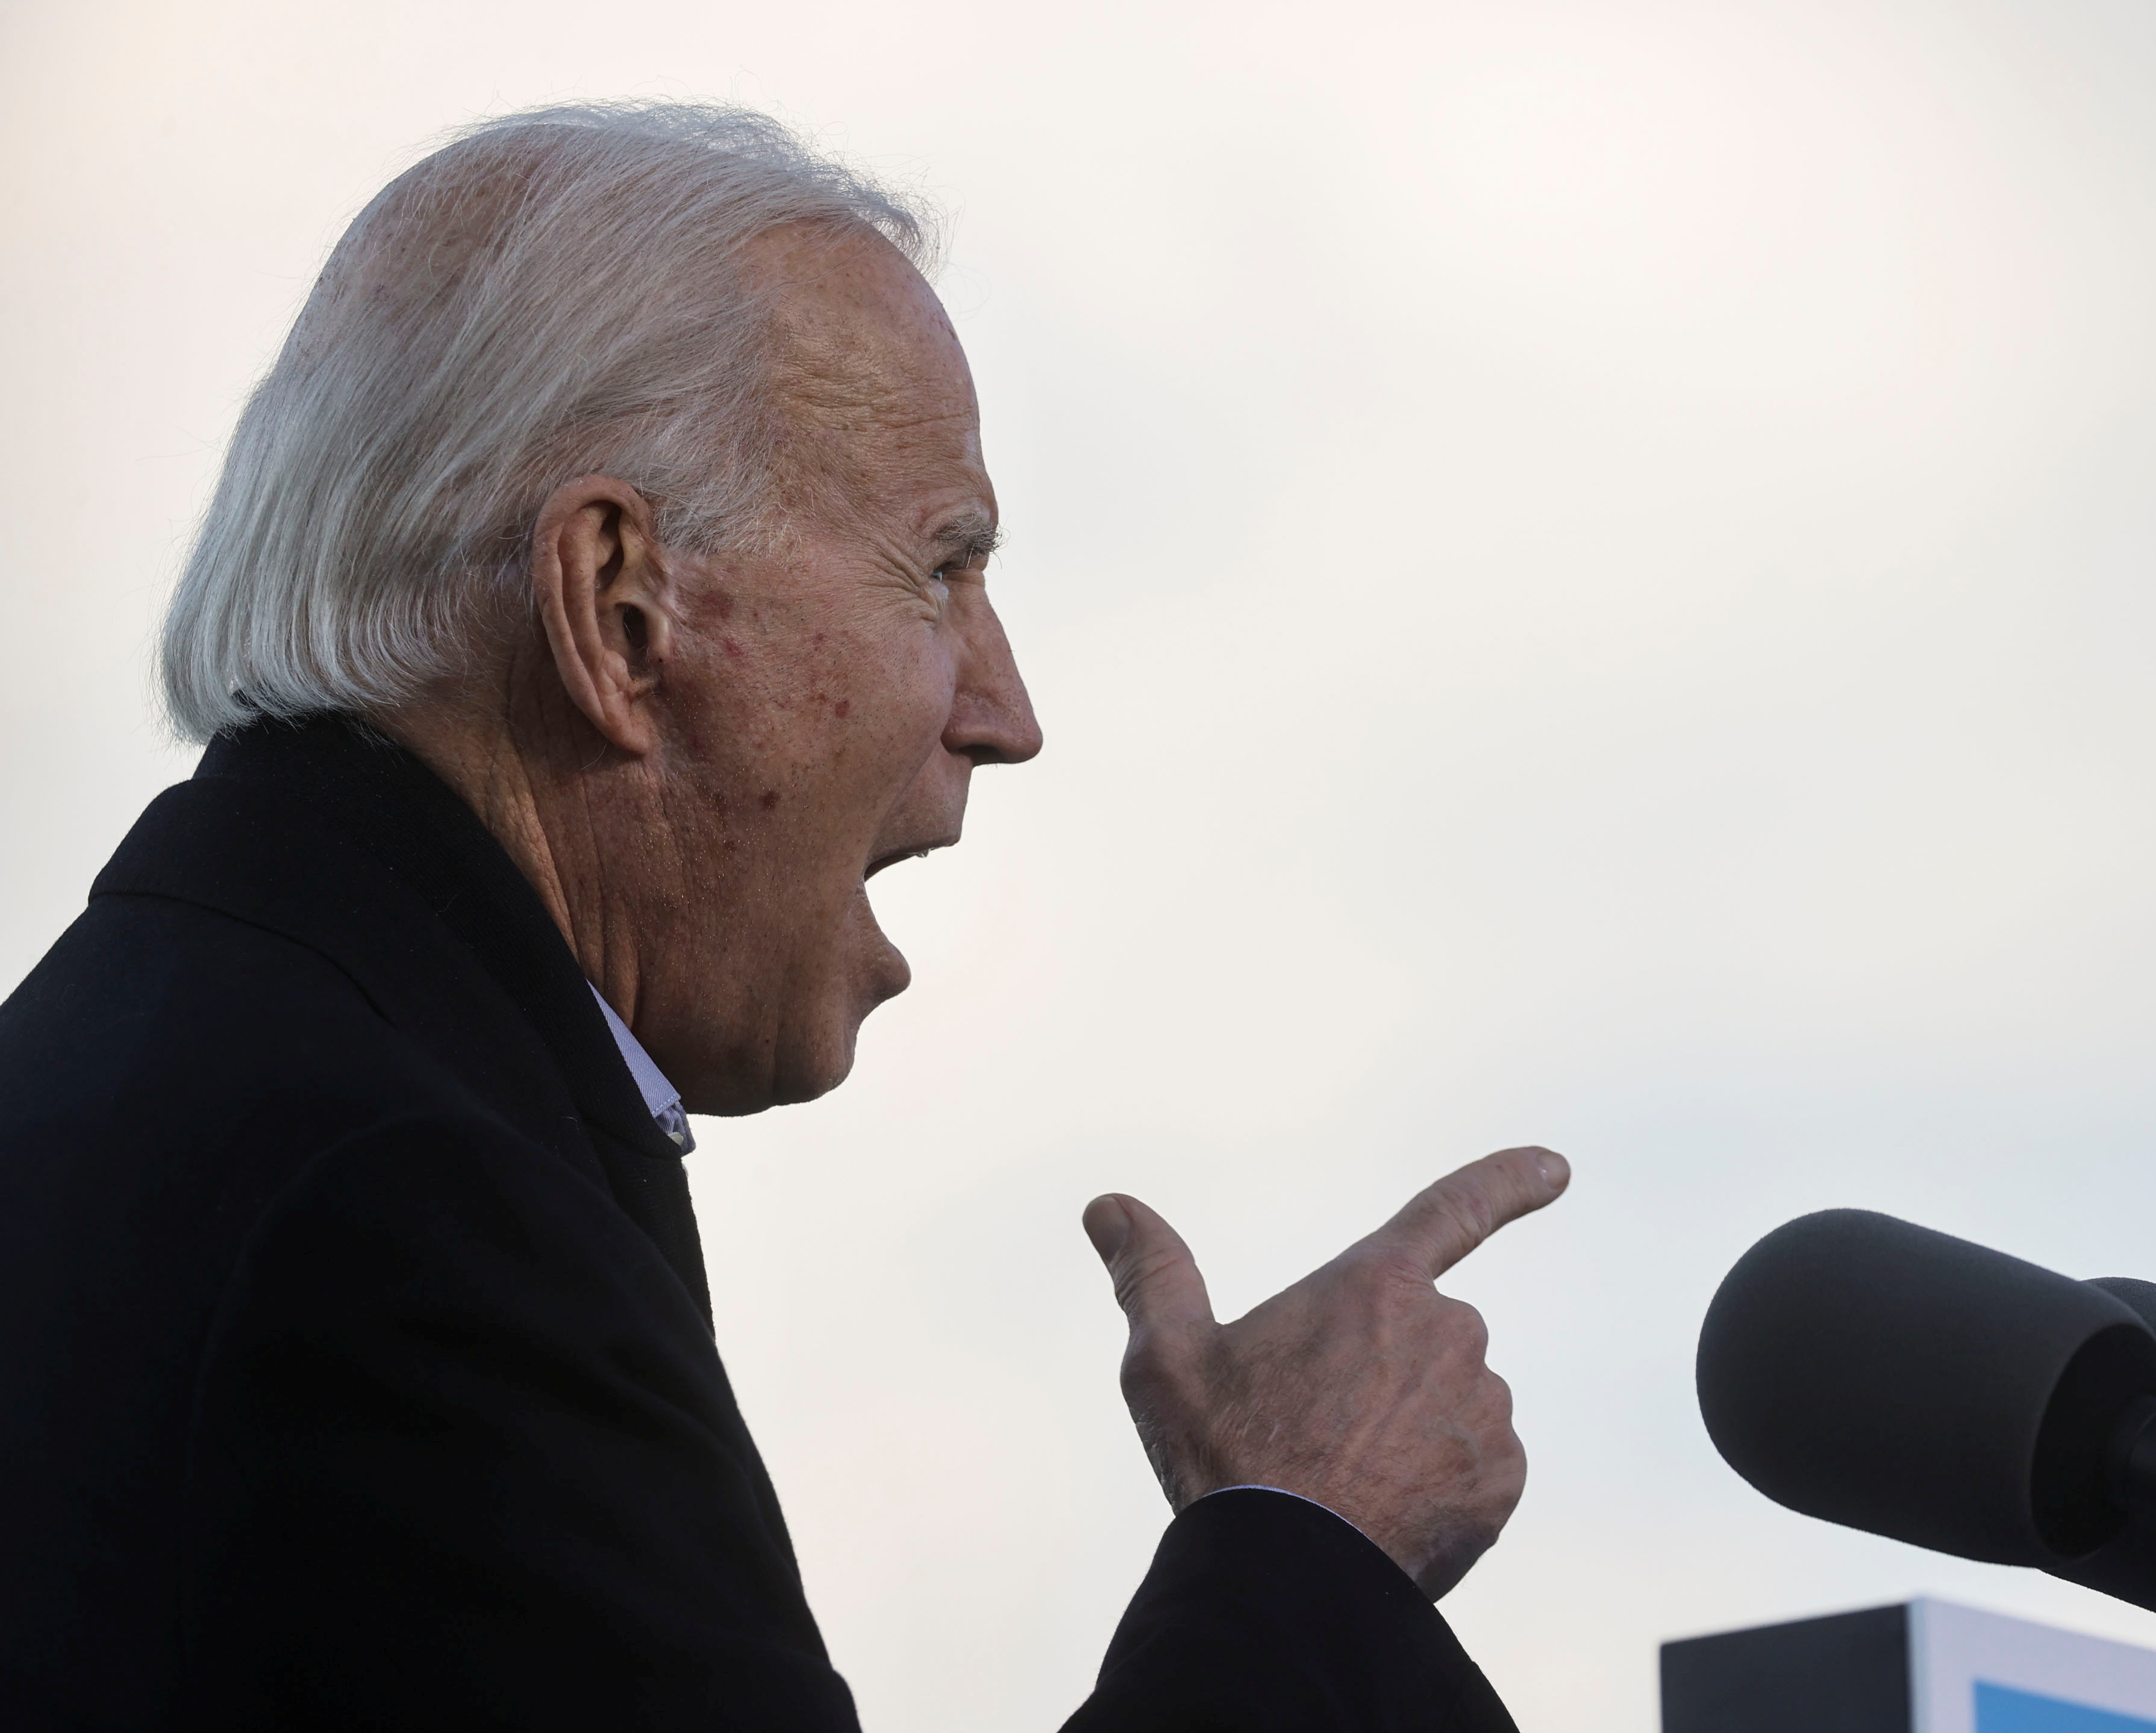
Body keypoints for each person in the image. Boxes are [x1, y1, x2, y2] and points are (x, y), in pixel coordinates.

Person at [0, 103, 1569, 1731]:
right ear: (618, 605)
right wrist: (1310, 1550)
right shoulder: (402, 1201)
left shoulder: (153, 1069)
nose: (1004, 708)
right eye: (940, 570)